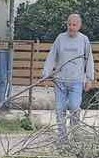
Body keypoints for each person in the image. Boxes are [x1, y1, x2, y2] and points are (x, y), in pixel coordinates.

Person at [40, 13, 94, 144]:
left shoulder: (84, 40)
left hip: (76, 81)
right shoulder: (60, 38)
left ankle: (75, 134)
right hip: (60, 81)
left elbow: (89, 60)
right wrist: (46, 73)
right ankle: (62, 138)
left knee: (74, 107)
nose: (71, 27)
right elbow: (52, 56)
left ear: (79, 26)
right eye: (69, 24)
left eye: (74, 25)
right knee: (60, 109)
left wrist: (89, 78)